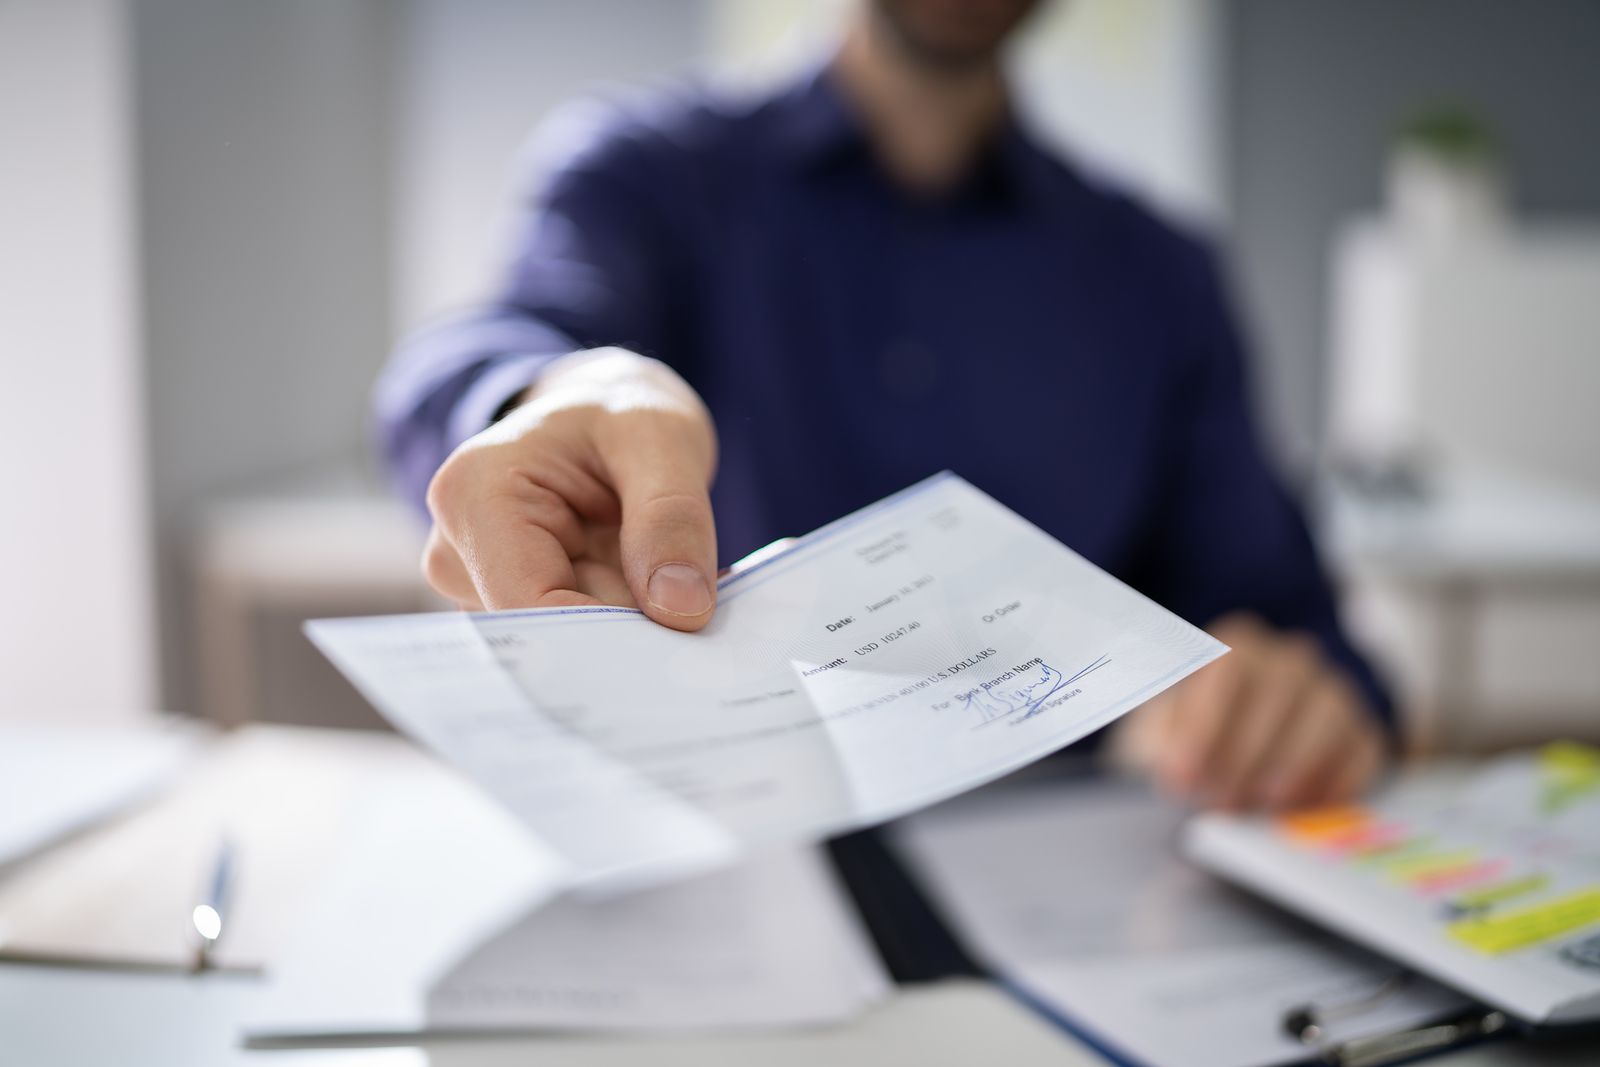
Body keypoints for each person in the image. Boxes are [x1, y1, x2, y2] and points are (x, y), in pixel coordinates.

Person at [377, 0, 1392, 816]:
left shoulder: (1160, 274)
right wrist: (558, 392)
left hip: (1081, 896)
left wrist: (1298, 706)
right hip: (718, 854)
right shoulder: (645, 178)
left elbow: (1294, 625)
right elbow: (475, 355)